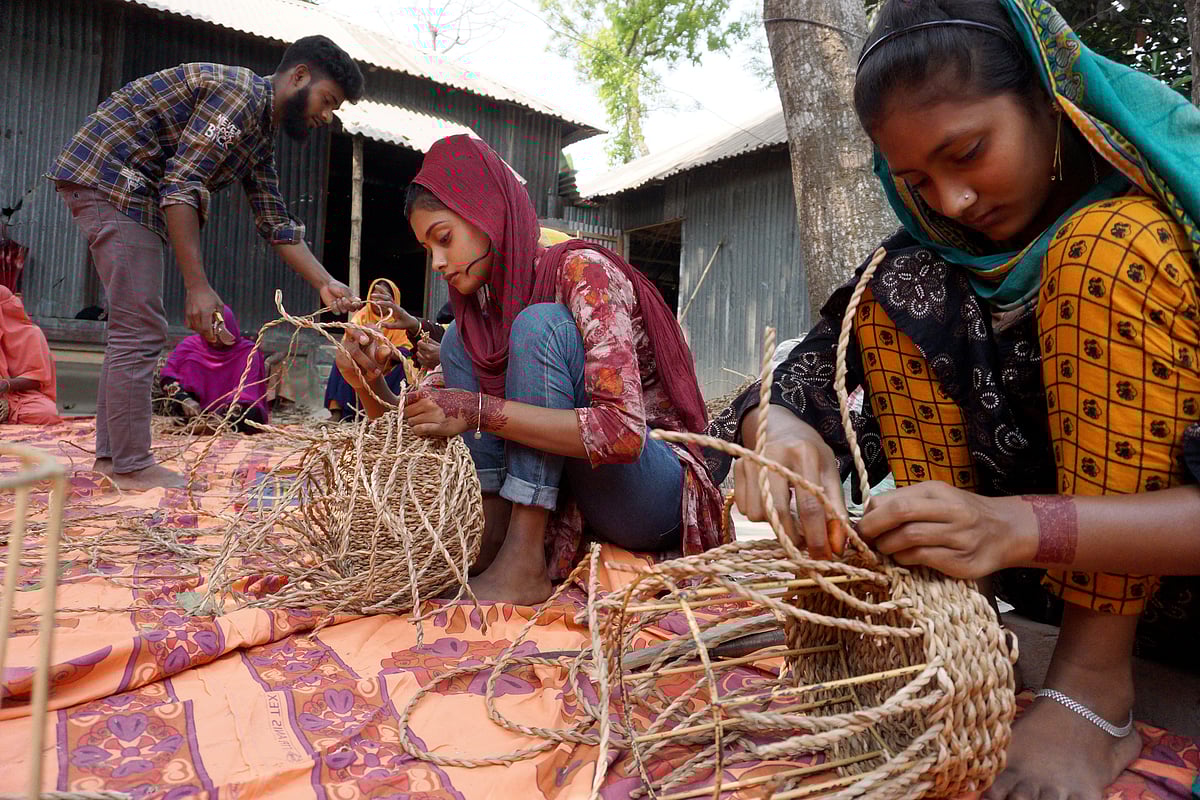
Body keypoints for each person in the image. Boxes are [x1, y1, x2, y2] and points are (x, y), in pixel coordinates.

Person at [707, 2, 1200, 798]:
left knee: (1107, 250)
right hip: (1019, 581)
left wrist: (1013, 526)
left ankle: (1094, 683)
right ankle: (960, 629)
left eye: (968, 152)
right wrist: (783, 431)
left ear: (1049, 98)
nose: (954, 201)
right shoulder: (931, 262)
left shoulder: (1166, 225)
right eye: (916, 181)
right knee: (899, 282)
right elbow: (796, 378)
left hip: (1178, 604)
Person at [336, 135, 726, 604]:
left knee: (541, 327)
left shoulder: (582, 272)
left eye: (444, 238)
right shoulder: (481, 315)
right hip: (579, 500)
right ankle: (495, 538)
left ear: (489, 216)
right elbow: (429, 417)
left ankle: (524, 558)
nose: (438, 262)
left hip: (651, 488)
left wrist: (480, 410)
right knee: (459, 339)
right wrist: (369, 381)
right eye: (428, 249)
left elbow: (621, 433)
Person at [49, 35, 364, 490]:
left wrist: (324, 282)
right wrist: (197, 286)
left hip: (126, 190)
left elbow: (274, 219)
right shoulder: (238, 95)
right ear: (299, 76)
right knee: (139, 329)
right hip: (115, 181)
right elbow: (181, 184)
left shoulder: (258, 131)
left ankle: (113, 460)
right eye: (327, 99)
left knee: (131, 328)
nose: (325, 116)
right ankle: (131, 465)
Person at [158, 305, 269, 433]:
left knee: (249, 412)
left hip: (231, 410)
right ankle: (201, 424)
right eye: (210, 333)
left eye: (220, 334)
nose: (215, 340)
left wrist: (224, 411)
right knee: (176, 400)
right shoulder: (190, 346)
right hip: (196, 411)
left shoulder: (248, 351)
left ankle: (214, 426)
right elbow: (167, 376)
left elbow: (248, 389)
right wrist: (185, 400)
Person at [324, 279, 415, 422]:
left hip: (387, 367)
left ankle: (390, 413)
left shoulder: (399, 321)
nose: (377, 299)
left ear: (392, 299)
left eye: (383, 295)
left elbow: (406, 349)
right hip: (362, 362)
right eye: (375, 293)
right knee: (342, 361)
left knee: (406, 366)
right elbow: (350, 339)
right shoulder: (362, 316)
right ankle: (338, 413)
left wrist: (387, 353)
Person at [0, 286, 60, 425]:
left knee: (46, 413)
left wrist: (6, 385)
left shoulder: (32, 334)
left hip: (24, 397)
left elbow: (38, 379)